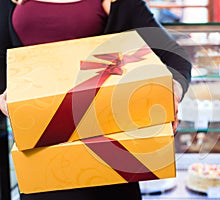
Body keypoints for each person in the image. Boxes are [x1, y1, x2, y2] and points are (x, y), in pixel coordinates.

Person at [0, 0, 191, 199]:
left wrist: (173, 93)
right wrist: (4, 98)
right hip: (38, 151)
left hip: (106, 157)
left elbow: (175, 57)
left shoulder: (118, 2)